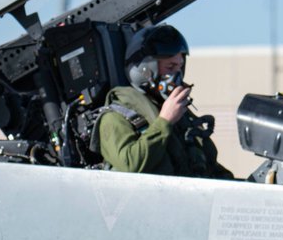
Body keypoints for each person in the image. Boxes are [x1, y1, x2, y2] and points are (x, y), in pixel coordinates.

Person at [95, 24, 233, 178]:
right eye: (170, 67)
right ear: (144, 70)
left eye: (180, 67)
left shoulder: (181, 115)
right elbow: (130, 164)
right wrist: (165, 121)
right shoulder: (115, 117)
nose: (177, 74)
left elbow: (209, 164)